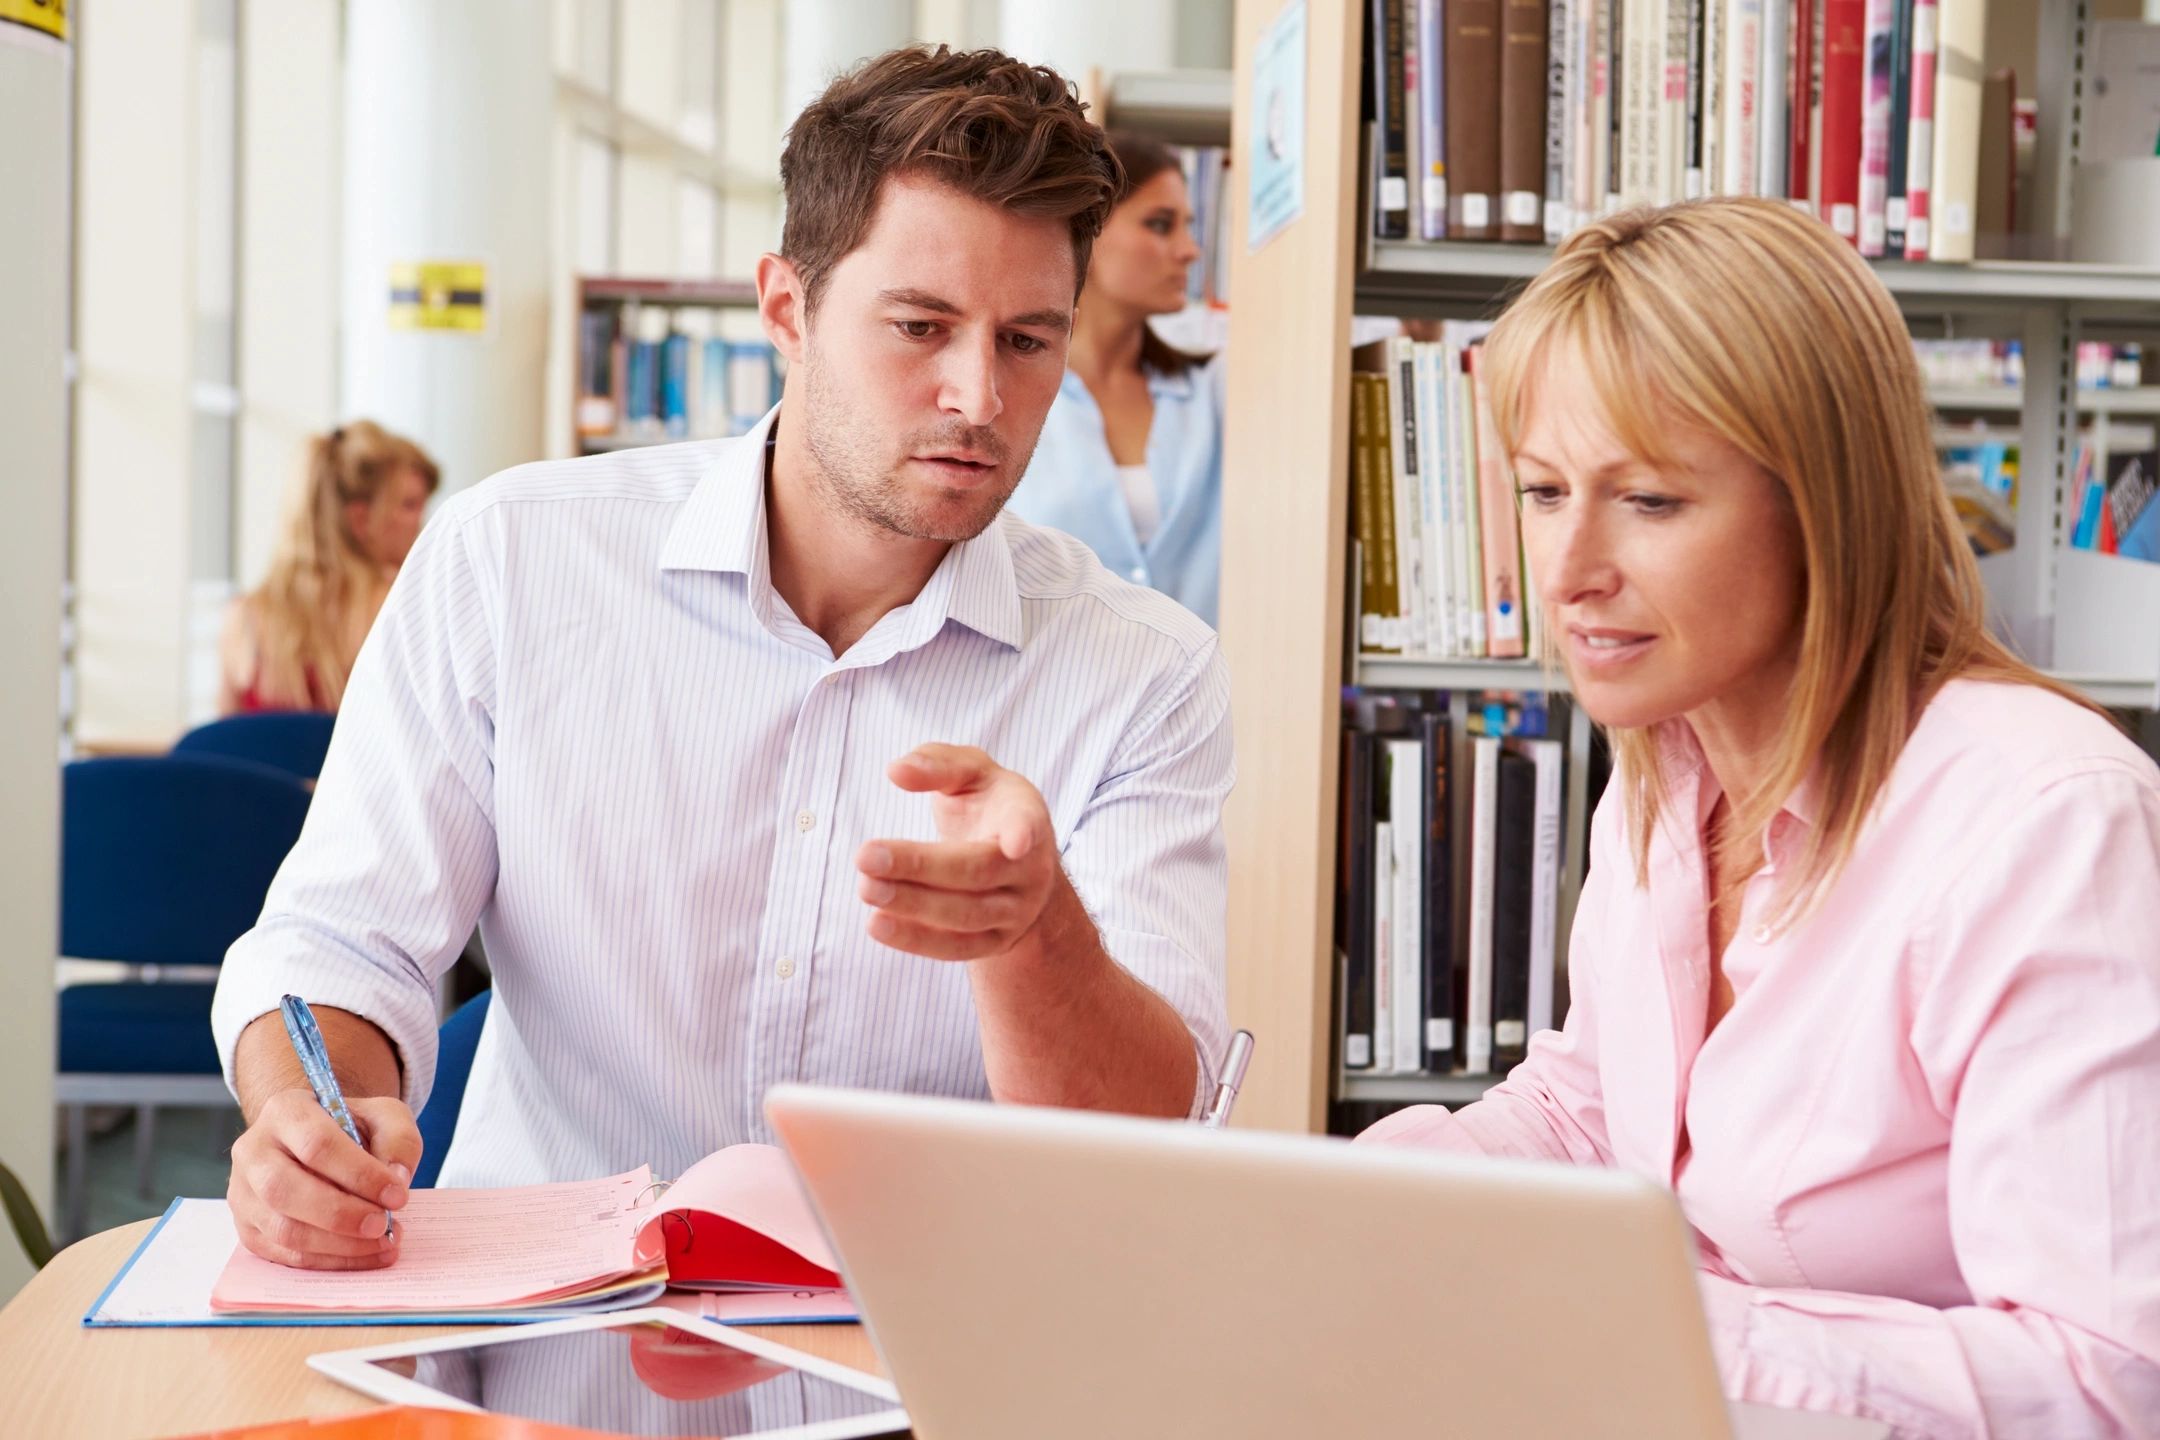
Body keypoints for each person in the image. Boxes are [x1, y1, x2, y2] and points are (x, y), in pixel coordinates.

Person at [210, 46, 1231, 1272]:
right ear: (788, 309)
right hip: (549, 1362)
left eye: (1027, 340)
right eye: (921, 326)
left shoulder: (1145, 671)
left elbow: (1150, 1138)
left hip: (921, 1372)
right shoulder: (512, 563)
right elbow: (342, 943)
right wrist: (307, 1118)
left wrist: (1039, 935)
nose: (979, 396)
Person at [1359, 198, 2160, 1436]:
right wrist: (1327, 1212)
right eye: (1542, 490)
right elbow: (1589, 1109)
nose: (1567, 573)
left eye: (1651, 502)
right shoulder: (1670, 757)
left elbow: (2105, 1382)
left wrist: (1638, 1320)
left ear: (1825, 507)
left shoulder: (2047, 824)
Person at [1006, 129, 1224, 627]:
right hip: (1051, 690)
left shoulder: (1210, 394)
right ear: (1090, 233)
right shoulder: (1006, 394)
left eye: (1188, 227)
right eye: (1160, 225)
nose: (1190, 250)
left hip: (1202, 689)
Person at [217, 420, 439, 713]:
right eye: (410, 505)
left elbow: (222, 748)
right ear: (361, 520)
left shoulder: (243, 617)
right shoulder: (400, 610)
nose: (423, 523)